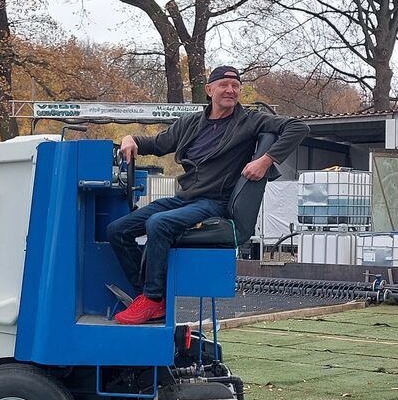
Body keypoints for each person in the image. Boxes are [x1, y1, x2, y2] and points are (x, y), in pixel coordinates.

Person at [109, 65, 309, 325]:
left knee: (159, 223)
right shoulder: (191, 122)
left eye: (235, 85)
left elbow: (298, 127)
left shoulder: (249, 120)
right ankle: (147, 296)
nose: (230, 90)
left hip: (213, 202)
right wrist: (130, 138)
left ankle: (153, 297)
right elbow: (159, 144)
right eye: (224, 85)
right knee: (117, 230)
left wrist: (265, 161)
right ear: (209, 90)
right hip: (184, 198)